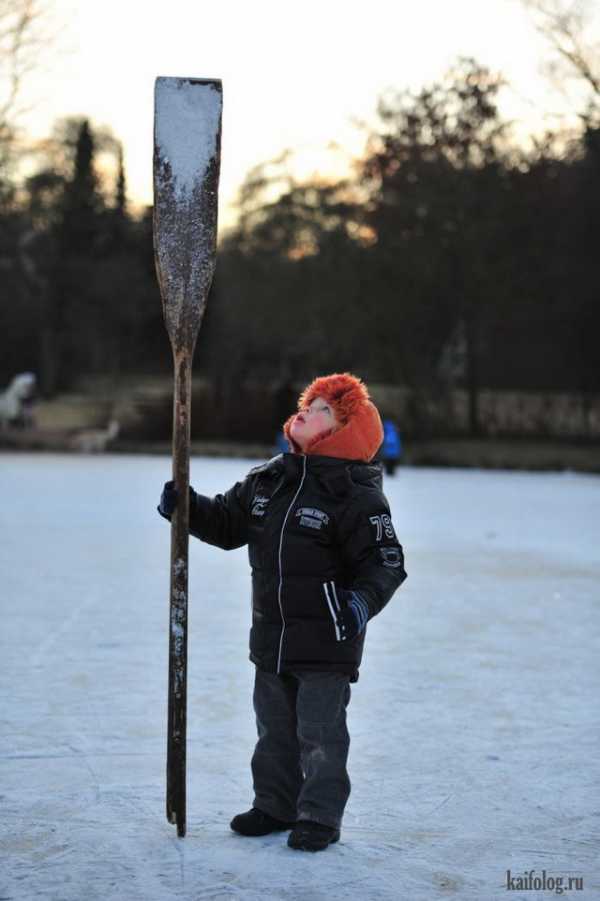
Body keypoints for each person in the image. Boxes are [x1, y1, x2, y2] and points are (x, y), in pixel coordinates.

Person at [158, 372, 407, 852]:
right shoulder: (270, 478)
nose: (306, 413)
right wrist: (187, 507)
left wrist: (358, 603)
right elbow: (229, 523)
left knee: (319, 734)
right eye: (308, 404)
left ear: (343, 431)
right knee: (273, 729)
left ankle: (318, 814)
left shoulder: (355, 494)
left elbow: (386, 562)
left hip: (327, 639)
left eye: (322, 411)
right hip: (271, 636)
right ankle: (274, 804)